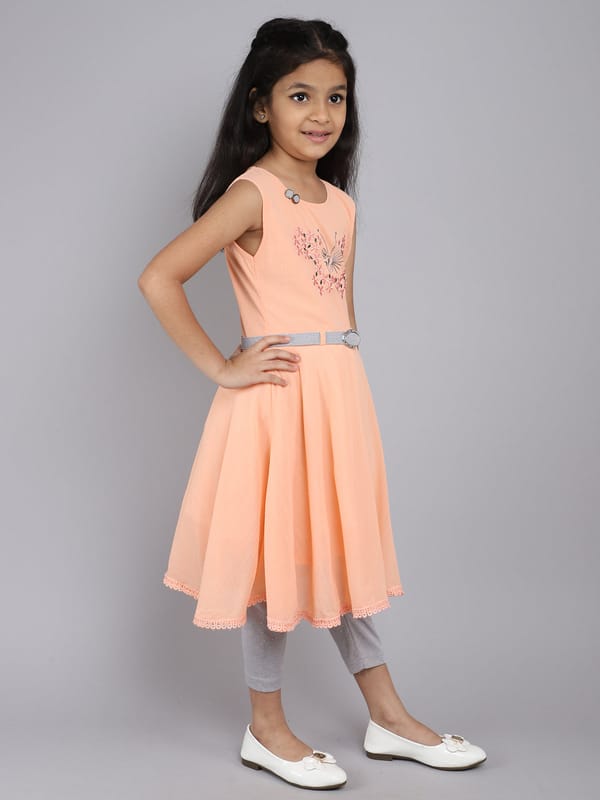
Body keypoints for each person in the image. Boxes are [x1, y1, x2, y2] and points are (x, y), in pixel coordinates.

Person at [138, 16, 487, 791]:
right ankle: (268, 726)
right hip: (275, 403)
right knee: (275, 560)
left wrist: (345, 393)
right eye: (300, 96)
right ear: (261, 105)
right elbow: (159, 277)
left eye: (336, 97)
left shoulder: (339, 204)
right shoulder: (252, 193)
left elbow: (340, 316)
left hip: (336, 400)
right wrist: (221, 368)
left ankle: (387, 718)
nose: (321, 113)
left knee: (335, 551)